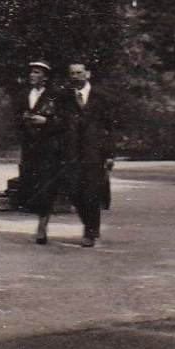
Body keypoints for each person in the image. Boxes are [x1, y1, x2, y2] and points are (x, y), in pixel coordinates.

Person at [61, 62, 115, 247]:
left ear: (88, 74)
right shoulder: (65, 98)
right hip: (72, 153)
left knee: (91, 192)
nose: (75, 76)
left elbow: (110, 128)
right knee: (74, 192)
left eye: (79, 72)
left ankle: (90, 231)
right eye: (72, 73)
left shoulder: (101, 98)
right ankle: (90, 225)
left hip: (95, 153)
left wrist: (109, 154)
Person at [16, 61, 63, 244]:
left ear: (45, 77)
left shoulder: (55, 96)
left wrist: (46, 122)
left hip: (49, 149)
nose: (32, 76)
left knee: (46, 187)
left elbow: (63, 123)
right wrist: (23, 120)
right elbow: (16, 120)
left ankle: (42, 228)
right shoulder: (23, 95)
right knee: (31, 185)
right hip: (29, 148)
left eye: (36, 73)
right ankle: (40, 221)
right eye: (31, 73)